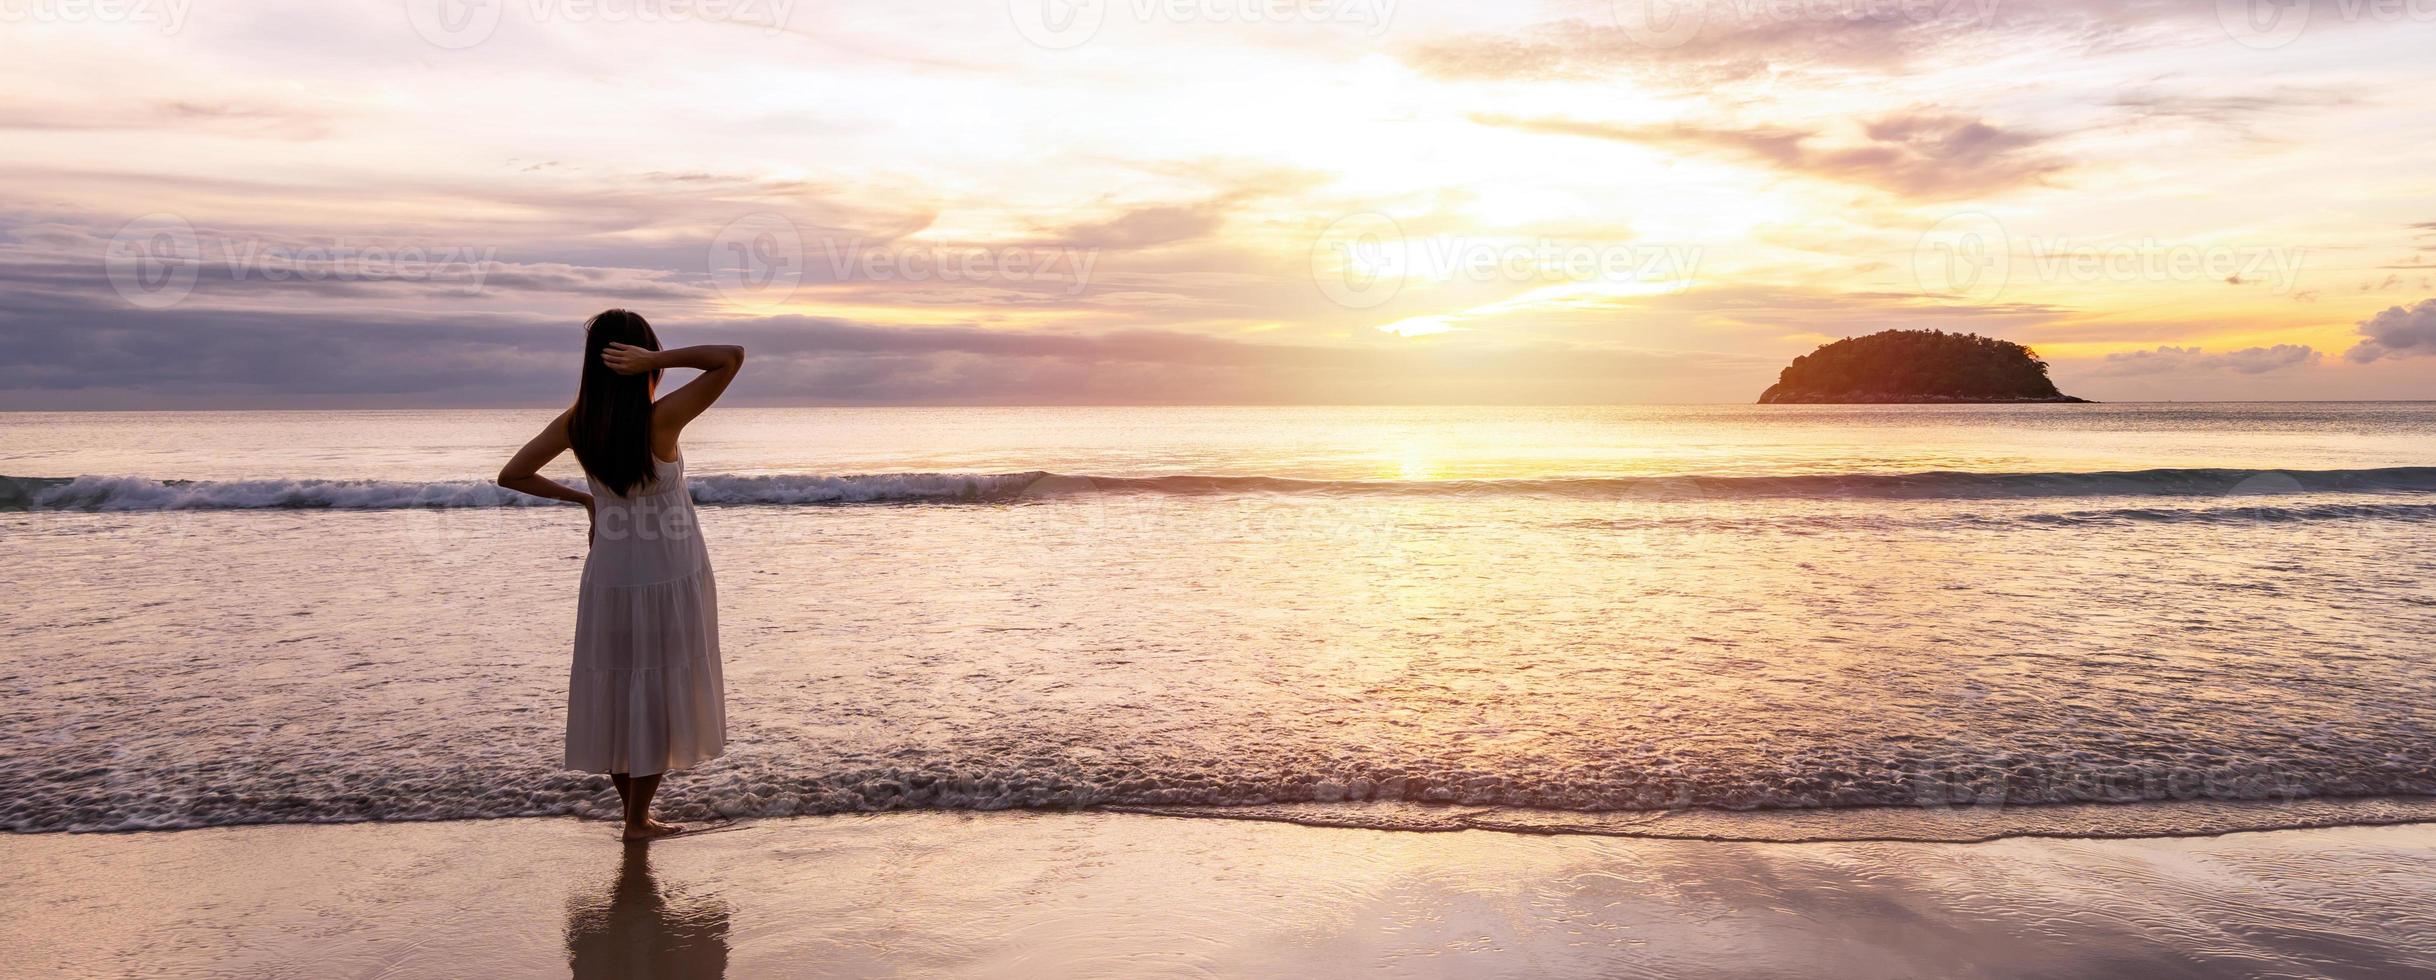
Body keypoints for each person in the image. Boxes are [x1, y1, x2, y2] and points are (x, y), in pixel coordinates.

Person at [498, 309, 745, 840]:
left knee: (618, 687)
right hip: (671, 572)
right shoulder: (661, 420)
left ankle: (632, 816)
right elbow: (730, 358)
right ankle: (638, 820)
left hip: (610, 576)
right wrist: (658, 360)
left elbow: (513, 474)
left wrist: (587, 500)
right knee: (654, 688)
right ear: (638, 360)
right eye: (646, 355)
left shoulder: (577, 423)